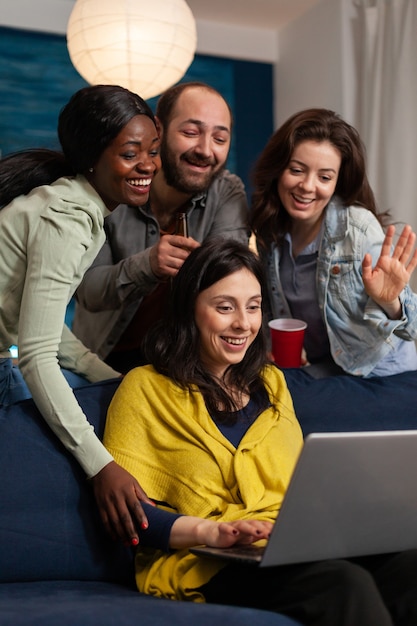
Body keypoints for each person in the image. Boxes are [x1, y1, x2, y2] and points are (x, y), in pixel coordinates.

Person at [103, 238, 417, 626]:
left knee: (410, 566)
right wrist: (215, 532)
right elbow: (134, 517)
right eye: (225, 308)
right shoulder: (144, 388)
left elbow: (298, 489)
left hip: (289, 543)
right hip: (207, 557)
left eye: (253, 307)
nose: (244, 323)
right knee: (341, 585)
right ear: (189, 309)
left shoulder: (271, 382)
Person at [0, 84, 161, 544]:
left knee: (114, 395)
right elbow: (35, 354)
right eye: (130, 154)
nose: (147, 165)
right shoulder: (67, 220)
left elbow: (41, 327)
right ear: (93, 157)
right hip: (4, 368)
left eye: (152, 151)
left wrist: (110, 375)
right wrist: (102, 468)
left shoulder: (69, 204)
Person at [73, 81, 250, 373]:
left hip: (183, 364)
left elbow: (230, 282)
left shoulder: (227, 193)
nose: (205, 150)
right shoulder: (108, 187)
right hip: (100, 359)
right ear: (158, 129)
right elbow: (88, 291)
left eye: (220, 139)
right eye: (191, 133)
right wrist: (148, 265)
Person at [250, 108, 417, 378]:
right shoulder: (272, 234)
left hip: (381, 374)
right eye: (296, 170)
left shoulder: (358, 228)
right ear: (278, 169)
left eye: (324, 177)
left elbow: (412, 327)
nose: (307, 186)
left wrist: (391, 303)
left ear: (337, 182)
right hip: (327, 371)